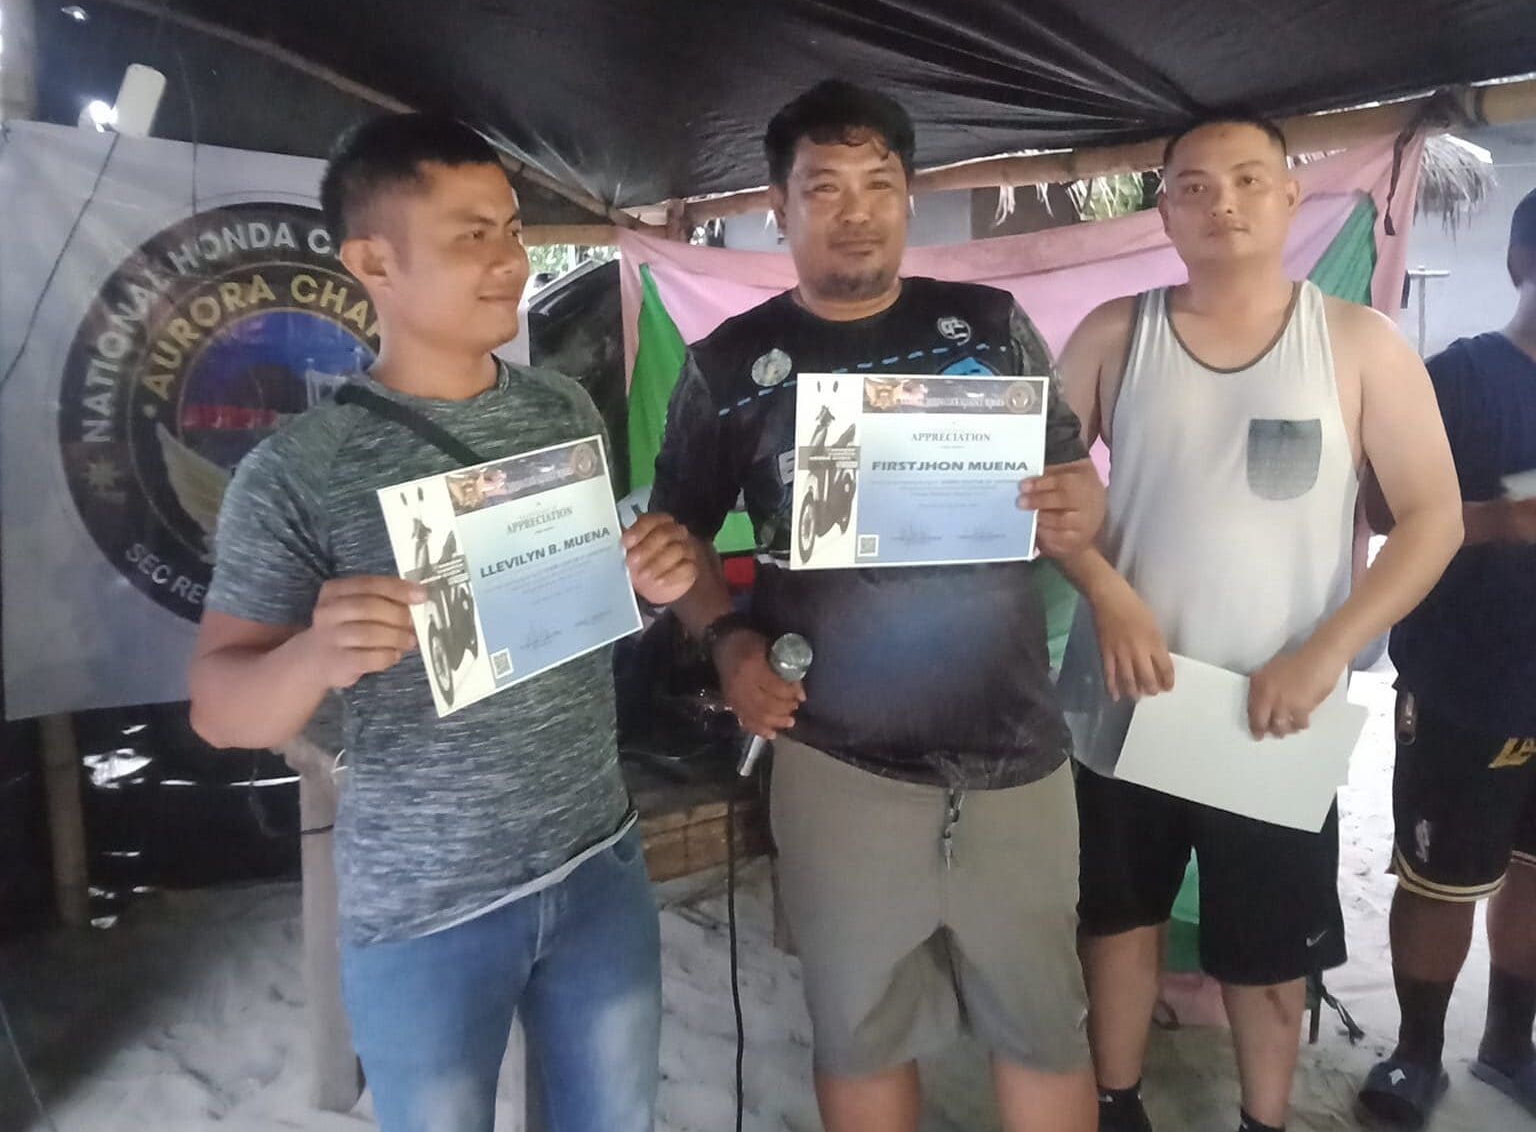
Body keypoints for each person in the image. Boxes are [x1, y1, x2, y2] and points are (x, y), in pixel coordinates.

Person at [187, 113, 696, 1132]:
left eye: (513, 229)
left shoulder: (562, 411)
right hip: (428, 907)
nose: (510, 260)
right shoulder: (298, 472)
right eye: (472, 235)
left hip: (596, 858)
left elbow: (570, 617)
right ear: (373, 261)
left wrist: (641, 584)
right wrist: (313, 652)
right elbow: (219, 708)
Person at [652, 79, 1105, 1132]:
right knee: (859, 1034)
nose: (855, 210)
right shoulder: (729, 368)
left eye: (879, 184)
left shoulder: (988, 326)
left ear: (909, 197)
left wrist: (1079, 504)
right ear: (779, 205)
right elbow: (679, 543)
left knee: (1043, 1027)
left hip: (1014, 748)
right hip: (837, 755)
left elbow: (1070, 479)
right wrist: (728, 642)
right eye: (824, 187)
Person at [1052, 115, 1463, 1132]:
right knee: (1118, 919)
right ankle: (1116, 1104)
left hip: (1275, 710)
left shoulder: (1358, 343)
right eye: (1194, 185)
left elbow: (1434, 518)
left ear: (1288, 196)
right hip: (1127, 696)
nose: (1222, 202)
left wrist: (1327, 651)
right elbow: (1037, 495)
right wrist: (1105, 588)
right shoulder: (1114, 334)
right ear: (1164, 210)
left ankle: (1262, 1118)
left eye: (1247, 179)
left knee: (1272, 954)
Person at [1357, 187, 1536, 1127]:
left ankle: (1510, 1045)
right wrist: (1504, 520)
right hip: (1467, 682)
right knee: (1441, 879)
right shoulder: (1457, 377)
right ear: (1519, 262)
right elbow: (1380, 509)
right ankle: (1416, 1054)